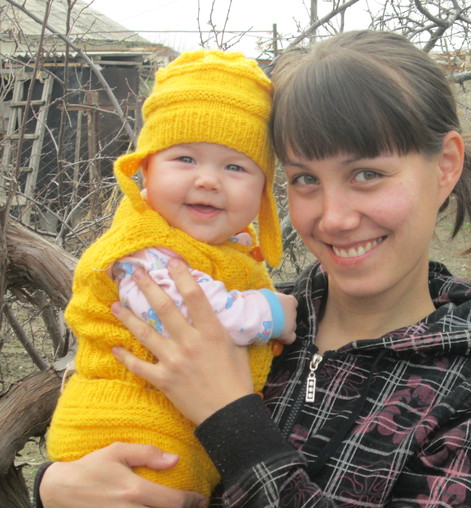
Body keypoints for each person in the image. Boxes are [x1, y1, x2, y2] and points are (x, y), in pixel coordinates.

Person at [37, 30, 471, 508]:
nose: (334, 218)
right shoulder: (251, 318)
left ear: (445, 166)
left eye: (367, 174)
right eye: (305, 179)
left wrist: (230, 419)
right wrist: (54, 486)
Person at [45, 49, 297, 500]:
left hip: (173, 440)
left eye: (235, 166)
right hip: (128, 435)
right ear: (144, 168)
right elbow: (194, 317)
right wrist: (270, 311)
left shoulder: (219, 248)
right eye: (185, 159)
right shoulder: (145, 251)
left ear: (263, 190)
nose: (208, 180)